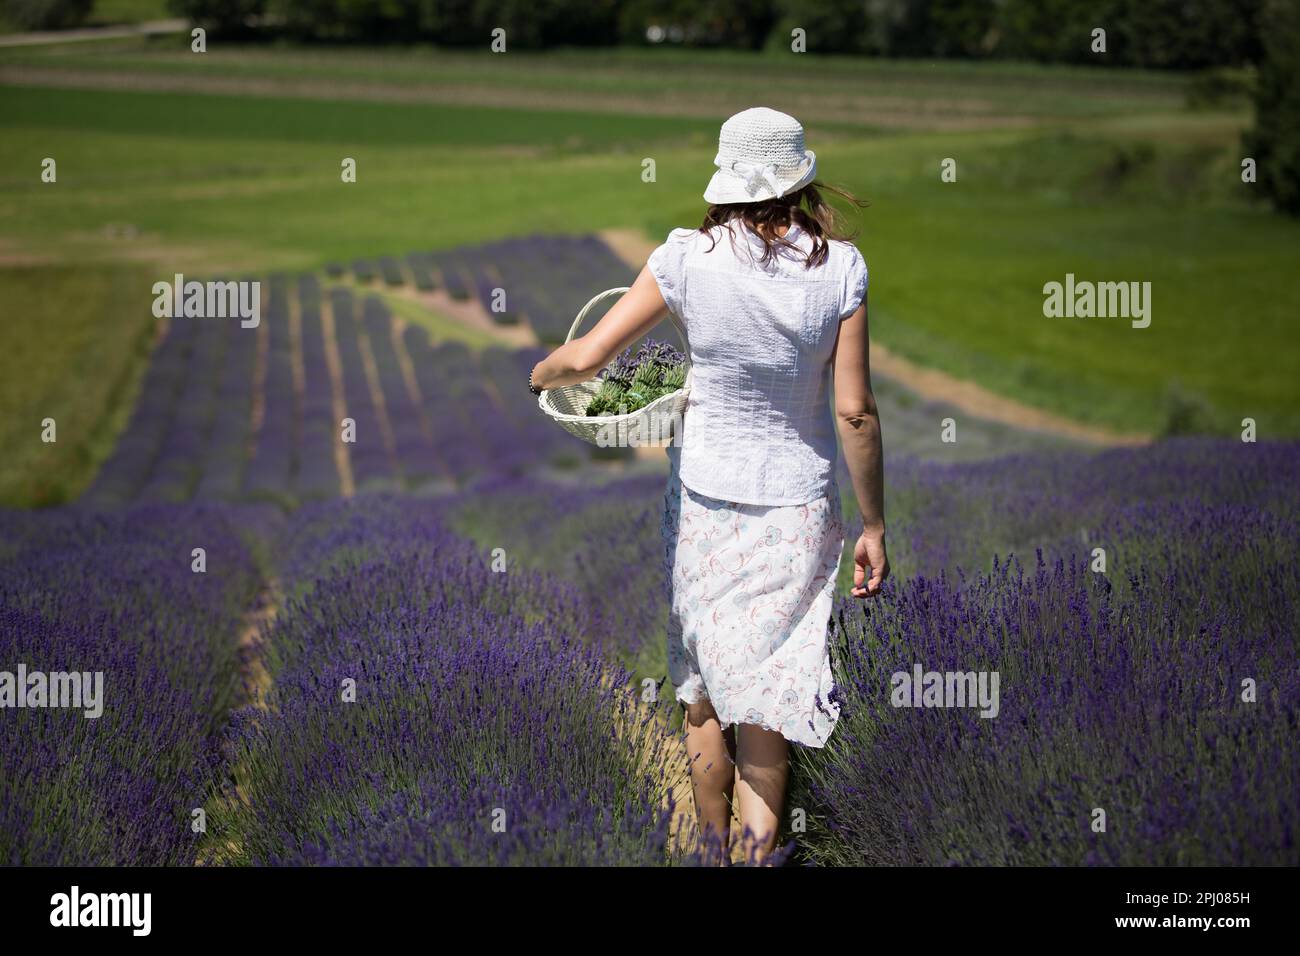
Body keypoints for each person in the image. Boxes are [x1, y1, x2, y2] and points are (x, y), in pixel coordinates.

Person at [529, 106, 888, 865]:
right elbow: (854, 413)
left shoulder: (686, 258)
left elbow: (590, 357)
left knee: (700, 695)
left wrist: (544, 373)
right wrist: (874, 527)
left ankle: (710, 851)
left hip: (704, 504)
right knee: (768, 708)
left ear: (726, 177)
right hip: (797, 507)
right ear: (801, 178)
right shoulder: (841, 269)